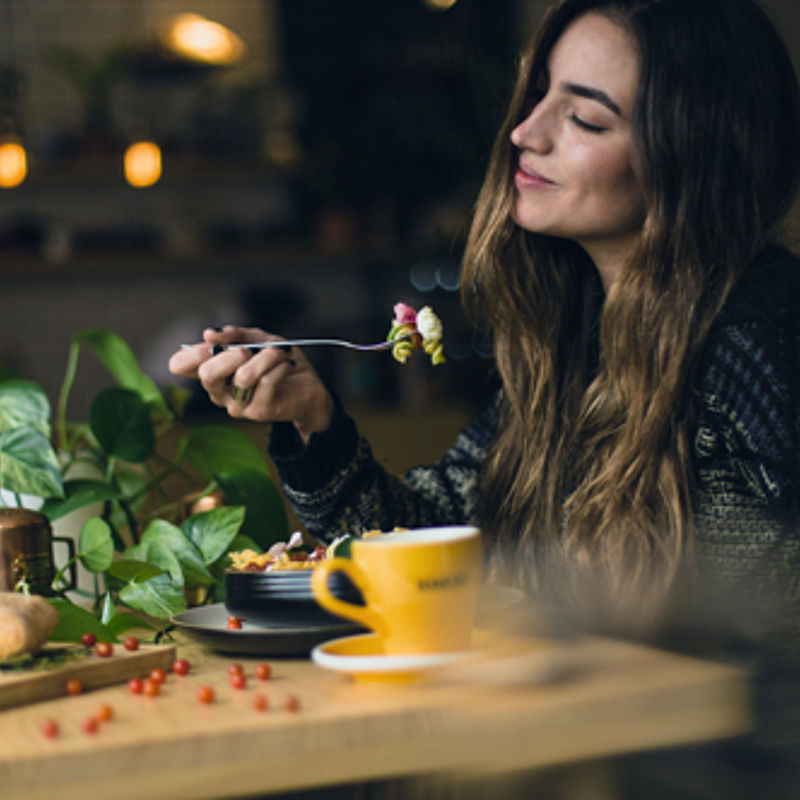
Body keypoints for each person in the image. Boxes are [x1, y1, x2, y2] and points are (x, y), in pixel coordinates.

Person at [171, 0, 800, 788]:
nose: (524, 133)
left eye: (587, 119)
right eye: (537, 95)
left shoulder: (764, 337)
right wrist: (314, 418)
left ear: (696, 154)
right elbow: (437, 553)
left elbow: (750, 640)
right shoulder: (578, 342)